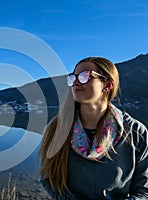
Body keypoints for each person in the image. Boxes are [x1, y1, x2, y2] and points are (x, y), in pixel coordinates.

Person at [38, 57, 148, 199]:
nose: (76, 82)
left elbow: (143, 190)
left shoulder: (135, 132)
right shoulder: (56, 129)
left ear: (107, 85)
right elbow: (47, 177)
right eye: (73, 77)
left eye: (85, 76)